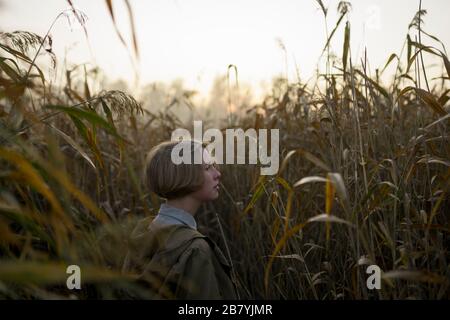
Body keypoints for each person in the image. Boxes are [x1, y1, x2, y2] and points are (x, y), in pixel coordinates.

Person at [123, 140, 238, 299]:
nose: (217, 174)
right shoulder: (196, 249)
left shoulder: (142, 232)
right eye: (207, 168)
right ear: (185, 176)